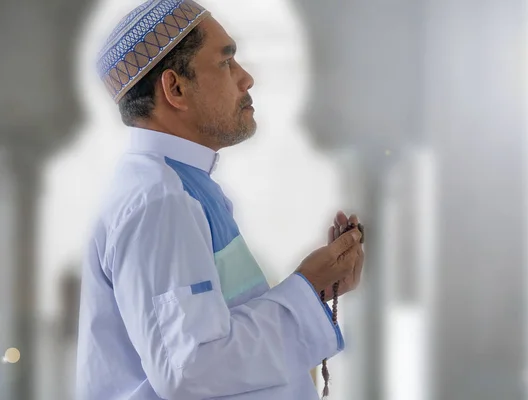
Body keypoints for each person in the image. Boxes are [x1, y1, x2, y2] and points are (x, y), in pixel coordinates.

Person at [75, 1, 365, 399]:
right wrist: (305, 285)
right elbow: (192, 368)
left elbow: (210, 340)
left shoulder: (180, 187)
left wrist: (315, 291)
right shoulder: (160, 201)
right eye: (226, 62)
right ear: (175, 88)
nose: (246, 79)